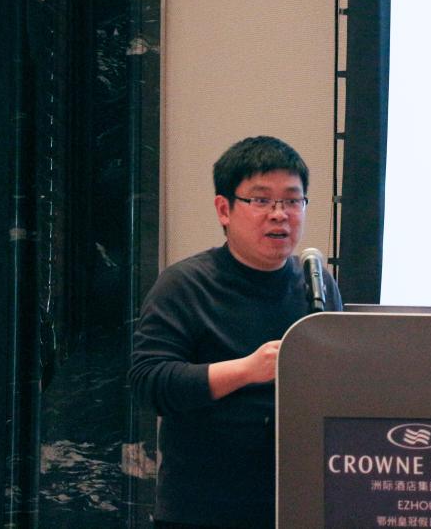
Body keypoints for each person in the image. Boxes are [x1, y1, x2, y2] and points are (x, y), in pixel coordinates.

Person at [130, 136, 342, 528]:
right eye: (261, 200)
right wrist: (247, 369)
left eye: (292, 201)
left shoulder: (316, 285)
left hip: (297, 503)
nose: (280, 215)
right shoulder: (184, 285)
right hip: (203, 509)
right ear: (224, 209)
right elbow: (150, 382)